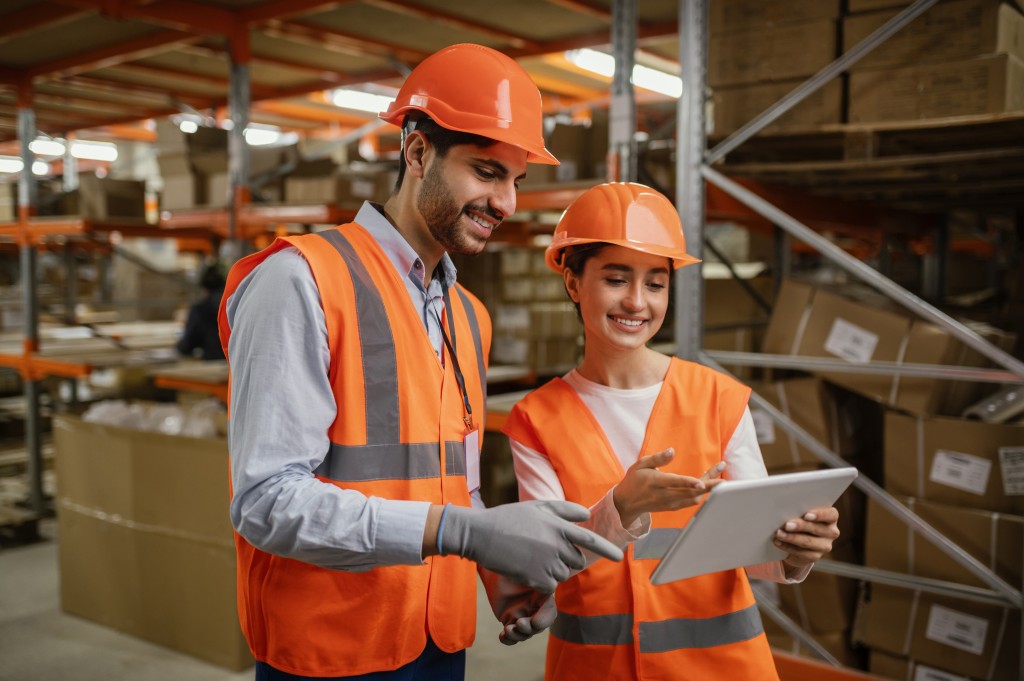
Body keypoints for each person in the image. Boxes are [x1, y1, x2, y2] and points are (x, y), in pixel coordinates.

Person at [217, 44, 623, 681]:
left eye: (517, 181)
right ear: (416, 153)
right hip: (332, 649)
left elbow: (447, 483)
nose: (508, 203)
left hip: (438, 643)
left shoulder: (466, 315)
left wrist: (491, 566)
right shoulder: (301, 281)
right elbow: (267, 501)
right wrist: (467, 535)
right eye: (487, 172)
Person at [501, 182, 842, 680]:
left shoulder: (719, 398)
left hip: (722, 669)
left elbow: (759, 555)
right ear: (573, 283)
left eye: (656, 284)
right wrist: (623, 506)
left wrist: (795, 553)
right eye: (616, 279)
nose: (637, 302)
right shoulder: (536, 420)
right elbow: (542, 567)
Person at [176, 263, 226, 360]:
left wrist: (179, 345)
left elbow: (186, 345)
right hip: (235, 366)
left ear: (204, 289)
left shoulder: (200, 310)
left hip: (213, 365)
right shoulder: (234, 305)